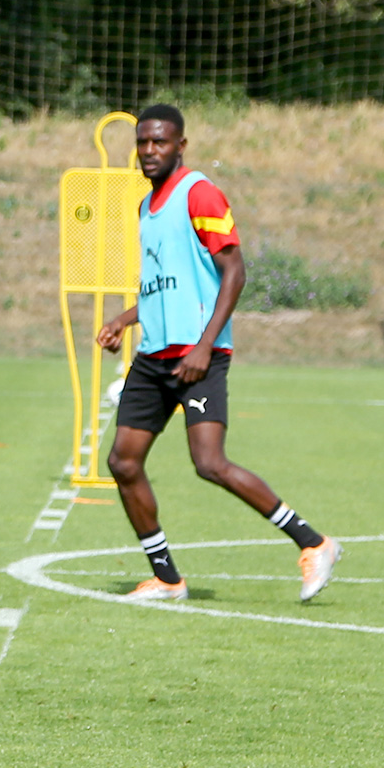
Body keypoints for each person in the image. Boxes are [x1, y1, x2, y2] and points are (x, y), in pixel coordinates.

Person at [97, 104, 342, 602]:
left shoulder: (198, 192)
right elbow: (166, 286)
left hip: (197, 355)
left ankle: (314, 543)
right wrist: (124, 320)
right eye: (142, 142)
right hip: (155, 357)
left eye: (160, 142)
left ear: (180, 146)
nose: (148, 151)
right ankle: (167, 579)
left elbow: (234, 271)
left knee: (209, 463)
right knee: (123, 463)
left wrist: (206, 346)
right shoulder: (147, 207)